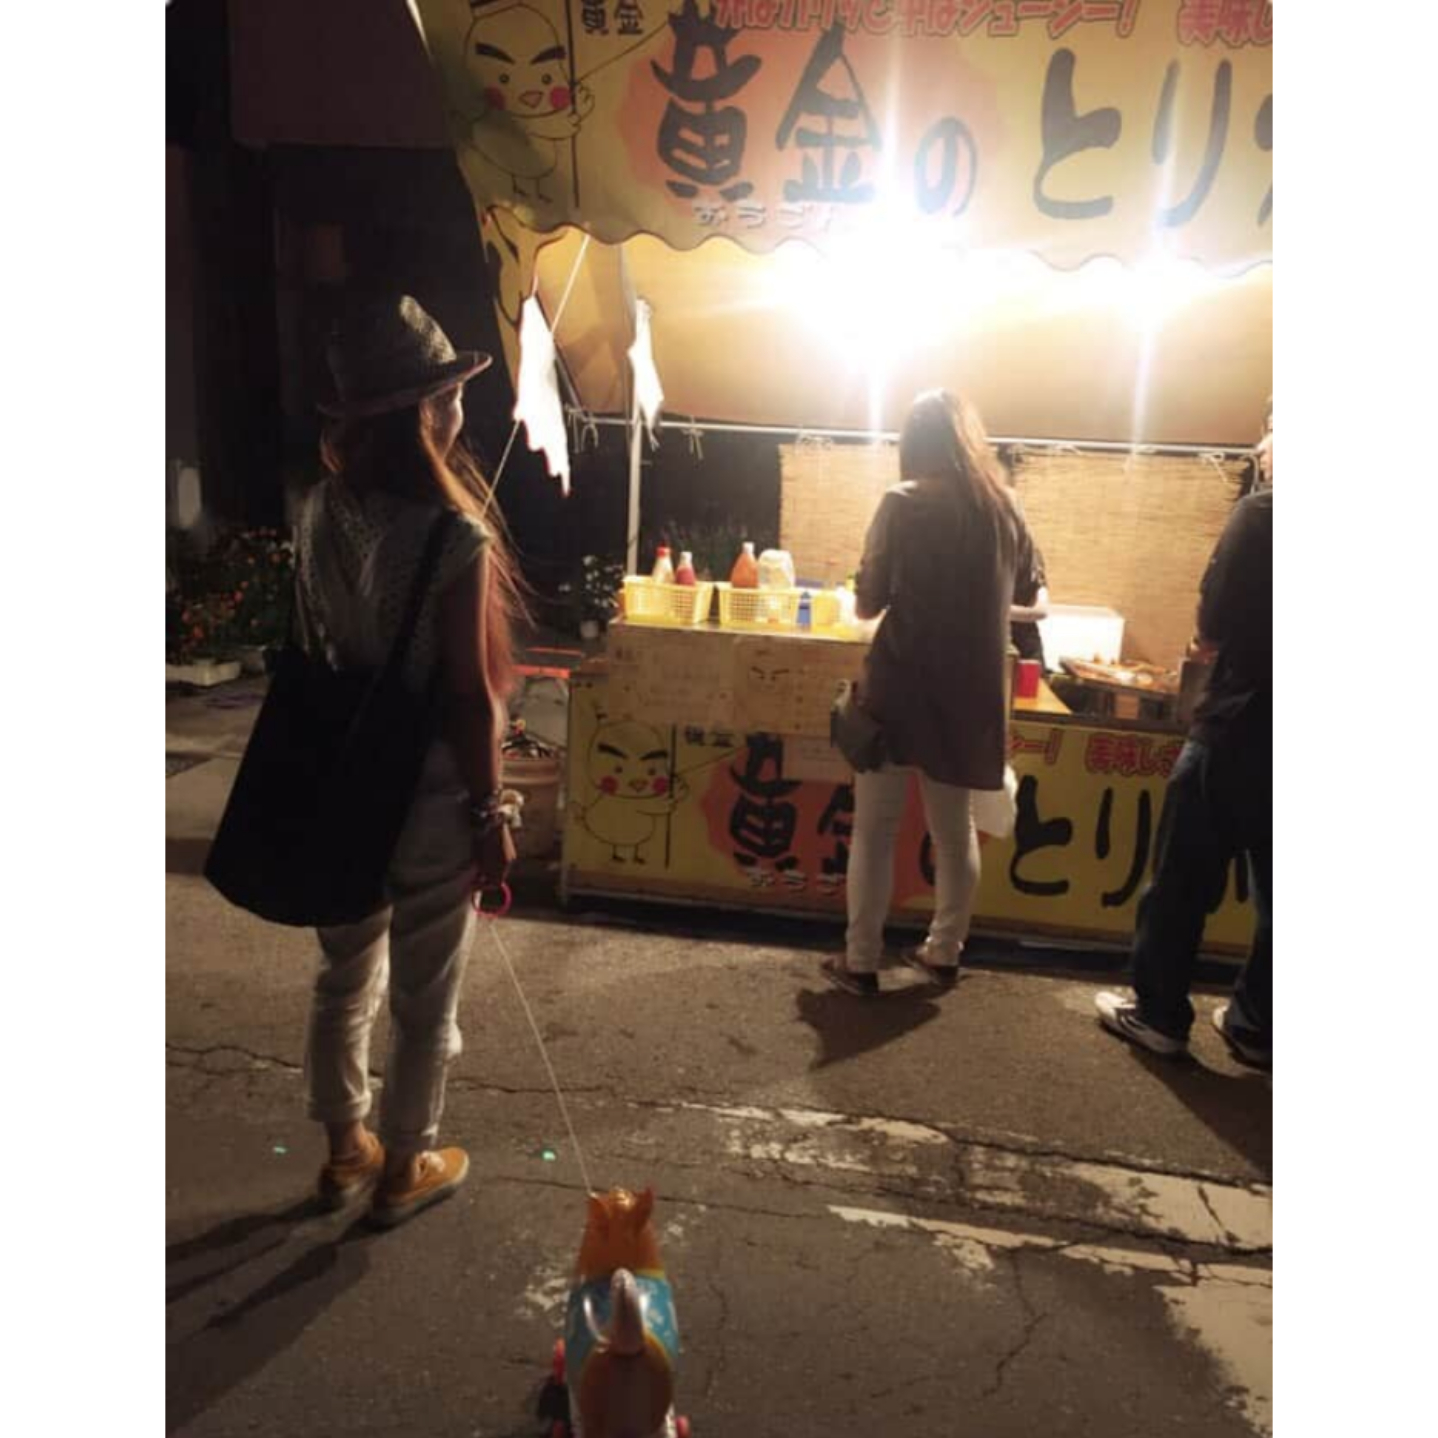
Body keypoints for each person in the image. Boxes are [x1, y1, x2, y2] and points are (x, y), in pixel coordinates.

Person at [296, 295, 524, 1225]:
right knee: (425, 992)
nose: (460, 404)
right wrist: (491, 815)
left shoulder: (321, 509)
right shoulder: (453, 536)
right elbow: (468, 697)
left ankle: (345, 1151)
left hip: (338, 771)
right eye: (451, 391)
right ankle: (405, 1164)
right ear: (427, 408)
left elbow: (311, 645)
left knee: (344, 972)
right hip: (428, 788)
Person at [823, 390, 1037, 996]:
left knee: (876, 828)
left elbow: (868, 603)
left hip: (900, 689)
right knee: (954, 829)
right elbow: (1027, 591)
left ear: (914, 444)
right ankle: (944, 950)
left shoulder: (903, 502)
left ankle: (860, 960)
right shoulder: (1005, 507)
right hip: (971, 693)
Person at [1095, 407, 1273, 1066]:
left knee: (1182, 879)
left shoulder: (1264, 515)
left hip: (1240, 723)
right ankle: (1258, 1023)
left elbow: (1213, 622)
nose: (1260, 444)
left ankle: (1160, 1014)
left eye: (1274, 428)